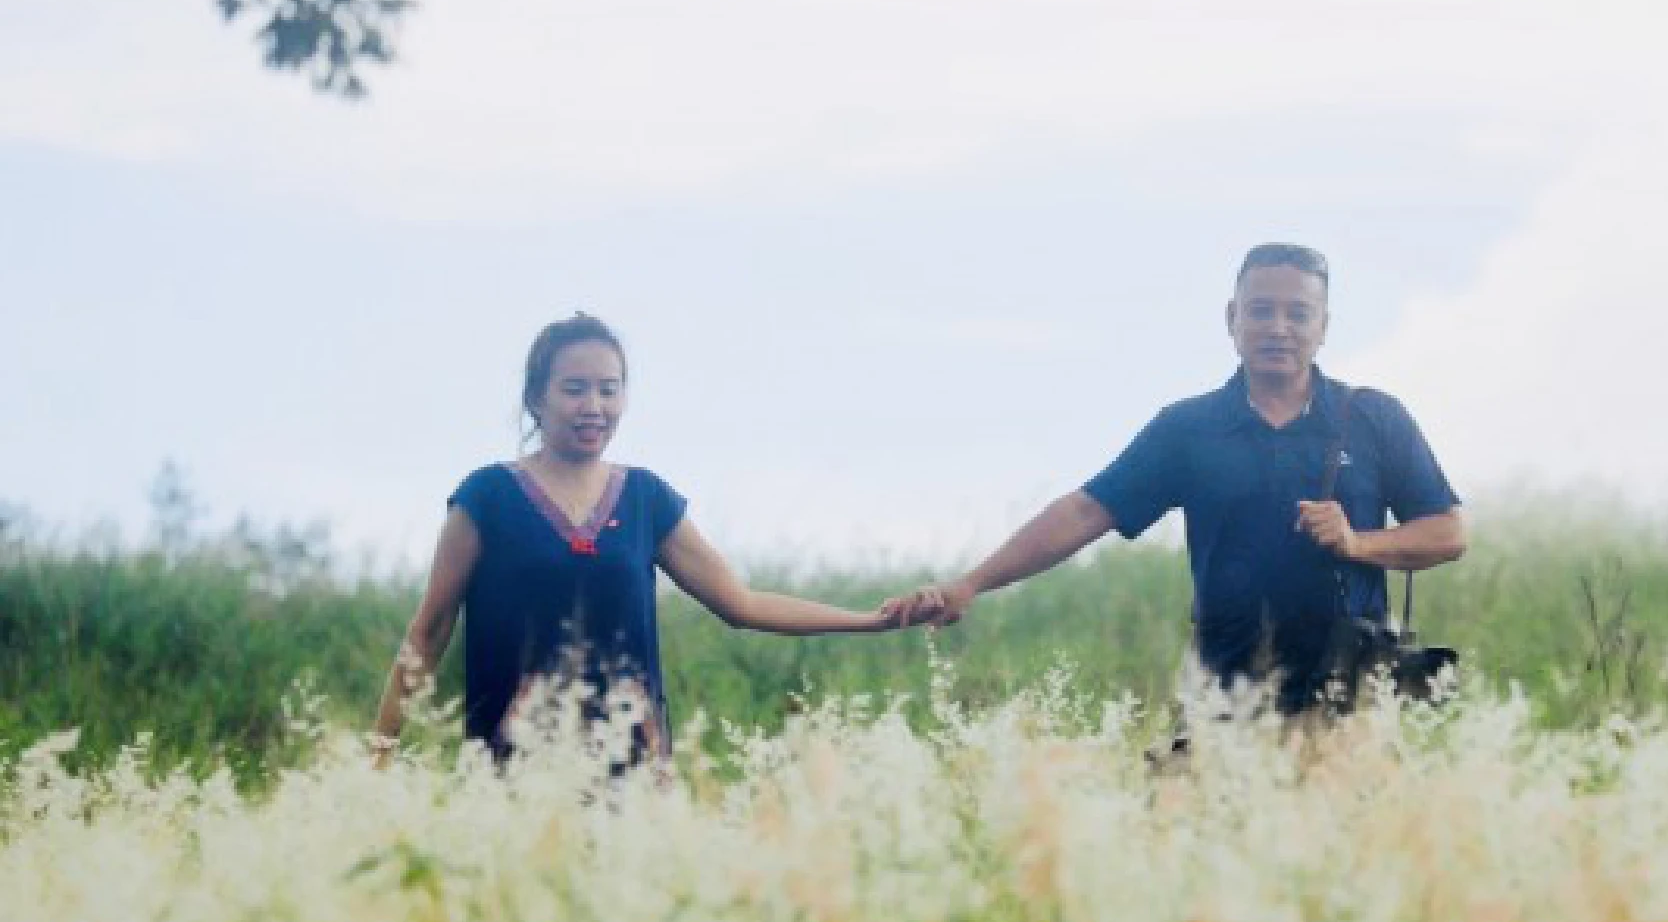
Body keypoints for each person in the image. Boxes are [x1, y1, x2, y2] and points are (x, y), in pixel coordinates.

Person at [889, 243, 1467, 720]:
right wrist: (973, 583)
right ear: (1231, 320)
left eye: (1298, 314)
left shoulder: (1373, 417)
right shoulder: (1189, 429)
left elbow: (1447, 533)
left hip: (1350, 695)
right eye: (1260, 310)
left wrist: (1359, 544)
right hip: (1224, 690)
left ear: (1323, 327)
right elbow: (1088, 512)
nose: (1278, 328)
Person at [372, 313, 900, 775]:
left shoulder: (647, 499)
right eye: (574, 389)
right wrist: (380, 750)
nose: (594, 406)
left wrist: (872, 619)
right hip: (512, 768)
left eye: (609, 388)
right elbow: (432, 628)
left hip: (632, 770)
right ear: (537, 397)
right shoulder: (486, 496)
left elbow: (741, 604)